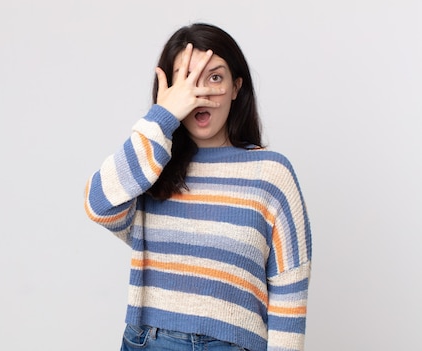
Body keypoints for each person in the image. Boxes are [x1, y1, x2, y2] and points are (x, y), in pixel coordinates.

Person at [83, 23, 312, 351]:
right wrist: (162, 117)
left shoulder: (271, 173)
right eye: (186, 80)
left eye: (214, 78)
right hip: (149, 341)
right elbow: (98, 204)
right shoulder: (151, 167)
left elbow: (290, 285)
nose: (199, 93)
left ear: (236, 87)